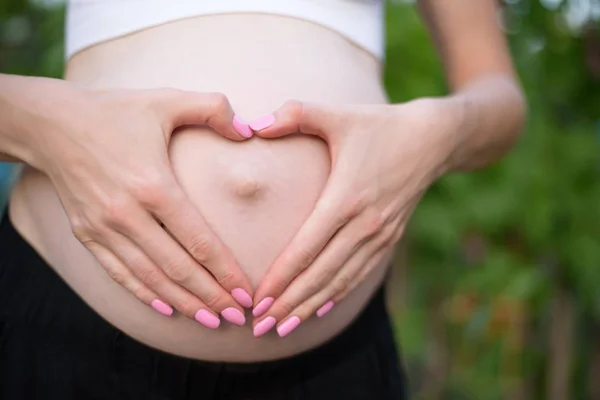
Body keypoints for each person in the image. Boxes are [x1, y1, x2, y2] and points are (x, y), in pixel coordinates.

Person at [0, 1, 526, 399]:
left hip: (335, 362)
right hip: (66, 326)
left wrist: (434, 132)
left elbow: (498, 97)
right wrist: (45, 122)